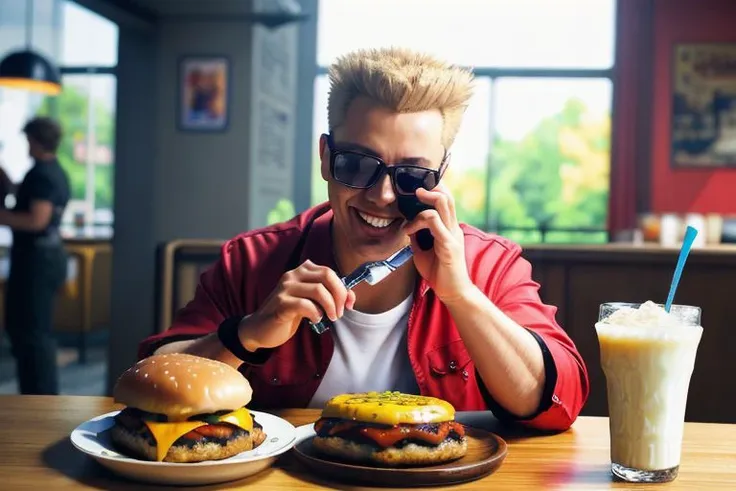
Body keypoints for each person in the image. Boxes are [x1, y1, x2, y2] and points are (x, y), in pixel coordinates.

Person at [139, 47, 589, 431]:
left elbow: (556, 405)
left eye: (412, 176)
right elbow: (150, 381)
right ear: (325, 158)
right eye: (356, 164)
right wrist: (248, 334)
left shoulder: (491, 265)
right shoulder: (252, 259)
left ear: (441, 176)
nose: (382, 195)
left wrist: (462, 296)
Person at [0, 117, 70, 395]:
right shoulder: (53, 171)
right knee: (33, 331)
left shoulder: (41, 174)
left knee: (32, 334)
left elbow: (36, 220)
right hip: (45, 259)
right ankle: (38, 396)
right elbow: (34, 201)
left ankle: (38, 398)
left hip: (36, 263)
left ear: (36, 140)